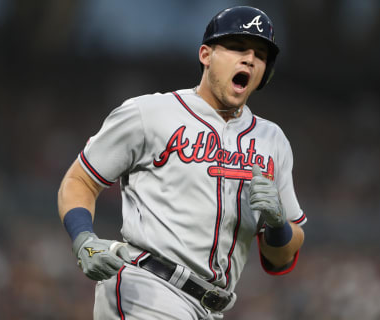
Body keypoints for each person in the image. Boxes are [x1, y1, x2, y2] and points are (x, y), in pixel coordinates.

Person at [58, 6, 306, 320]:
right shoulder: (150, 113)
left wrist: (278, 225)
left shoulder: (273, 141)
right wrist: (83, 238)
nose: (249, 59)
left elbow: (281, 259)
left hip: (210, 308)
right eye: (236, 48)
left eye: (260, 53)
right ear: (206, 54)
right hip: (147, 288)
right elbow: (80, 180)